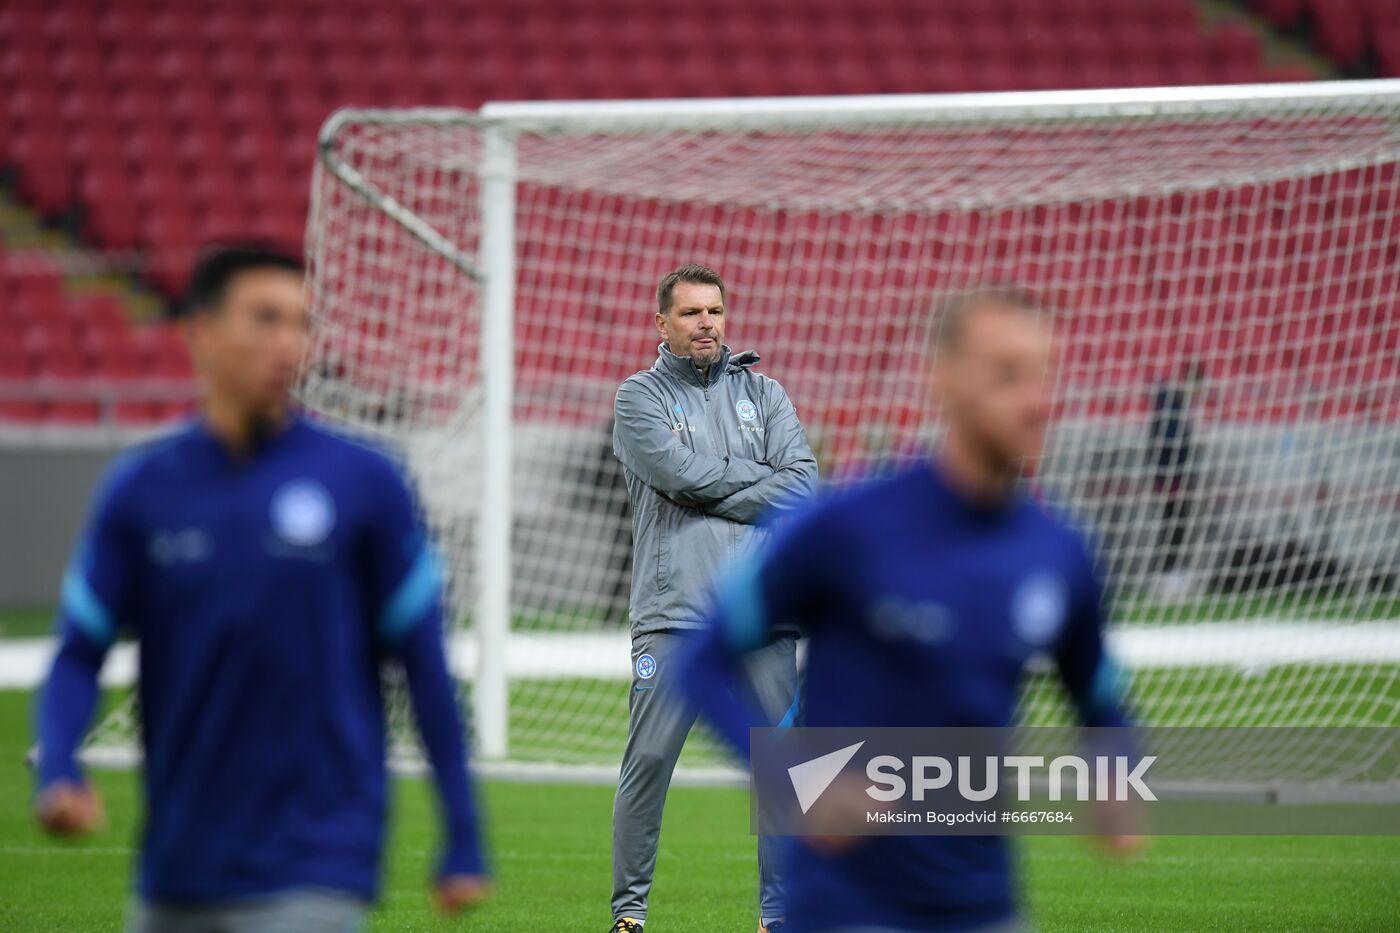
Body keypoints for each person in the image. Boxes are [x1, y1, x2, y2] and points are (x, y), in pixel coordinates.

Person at [32, 245, 489, 932]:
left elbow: (425, 666)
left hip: (318, 858)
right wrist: (58, 766)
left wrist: (462, 831)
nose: (288, 345)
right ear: (201, 332)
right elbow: (78, 649)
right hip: (176, 869)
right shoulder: (142, 488)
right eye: (265, 320)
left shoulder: (366, 482)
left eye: (302, 324)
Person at [682, 286, 1140, 933]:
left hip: (986, 907)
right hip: (847, 909)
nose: (1036, 401)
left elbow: (1100, 696)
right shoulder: (845, 527)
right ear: (944, 380)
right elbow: (701, 661)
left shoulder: (1058, 551)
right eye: (1008, 376)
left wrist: (1117, 775)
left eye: (1044, 376)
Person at [610, 264, 818, 933]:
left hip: (763, 615)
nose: (707, 323)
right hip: (674, 616)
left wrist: (716, 487)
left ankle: (779, 916)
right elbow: (676, 473)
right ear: (662, 322)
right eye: (693, 312)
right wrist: (760, 482)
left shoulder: (768, 393)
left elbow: (803, 488)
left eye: (716, 311)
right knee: (647, 762)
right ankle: (629, 914)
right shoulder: (637, 399)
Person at [1148, 361, 1205, 597]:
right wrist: (1168, 476)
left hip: (1176, 476)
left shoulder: (1175, 404)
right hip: (1171, 476)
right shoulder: (1171, 405)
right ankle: (1166, 578)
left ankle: (1170, 575)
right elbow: (1165, 443)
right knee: (1172, 525)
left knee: (1176, 525)